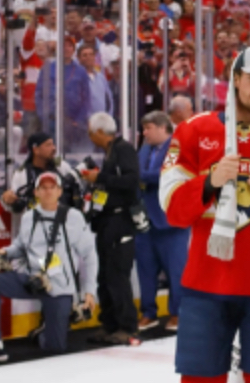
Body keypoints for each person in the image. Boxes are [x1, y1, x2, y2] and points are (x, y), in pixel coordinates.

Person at [160, 46, 250, 383]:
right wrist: (209, 182)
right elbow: (173, 211)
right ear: (236, 79)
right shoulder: (194, 131)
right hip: (206, 286)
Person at [0, 172, 98, 366]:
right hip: (30, 279)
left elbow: (89, 255)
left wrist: (89, 291)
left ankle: (45, 332)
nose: (48, 191)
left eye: (52, 187)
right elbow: (20, 246)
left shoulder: (74, 217)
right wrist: (4, 252)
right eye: (43, 188)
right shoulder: (29, 217)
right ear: (36, 192)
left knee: (56, 348)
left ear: (59, 191)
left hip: (58, 286)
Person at [79, 111, 141, 345]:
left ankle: (127, 326)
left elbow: (132, 181)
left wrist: (100, 178)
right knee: (104, 275)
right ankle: (110, 324)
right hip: (106, 220)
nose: (89, 137)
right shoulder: (111, 152)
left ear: (99, 132)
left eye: (90, 132)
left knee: (117, 275)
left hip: (120, 220)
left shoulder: (124, 149)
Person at [135, 110, 187, 333]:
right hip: (145, 220)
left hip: (171, 222)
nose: (144, 133)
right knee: (145, 270)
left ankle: (177, 313)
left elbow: (166, 174)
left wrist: (139, 176)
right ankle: (148, 313)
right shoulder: (144, 148)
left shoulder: (177, 147)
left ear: (162, 128)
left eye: (148, 128)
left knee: (175, 270)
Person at [1, 132, 84, 231]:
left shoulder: (62, 167)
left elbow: (77, 189)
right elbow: (13, 204)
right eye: (48, 145)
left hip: (66, 226)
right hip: (37, 229)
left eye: (53, 144)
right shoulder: (22, 175)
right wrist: (7, 199)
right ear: (36, 150)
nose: (53, 148)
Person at [35, 37, 92, 155]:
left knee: (71, 155)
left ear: (73, 49)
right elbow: (39, 94)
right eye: (63, 45)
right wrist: (42, 115)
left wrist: (78, 121)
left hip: (72, 124)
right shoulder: (47, 68)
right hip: (50, 121)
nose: (66, 48)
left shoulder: (81, 71)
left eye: (69, 46)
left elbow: (86, 99)